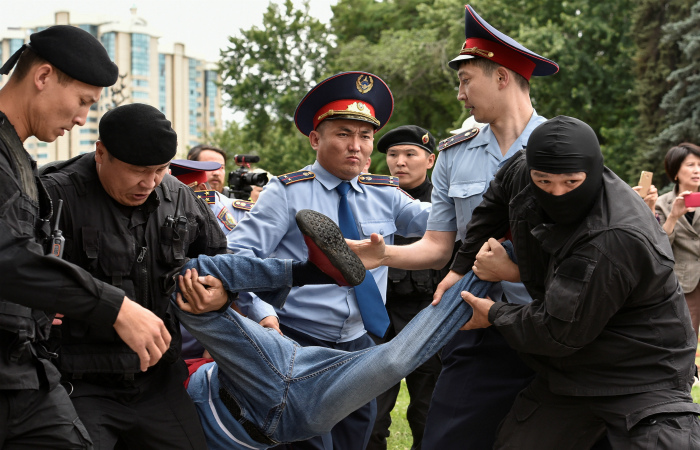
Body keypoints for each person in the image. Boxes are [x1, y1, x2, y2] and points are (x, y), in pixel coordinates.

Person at [348, 5, 559, 448]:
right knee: (446, 436)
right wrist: (383, 255)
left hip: (549, 322)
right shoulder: (454, 154)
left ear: (501, 77)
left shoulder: (562, 148)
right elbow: (439, 246)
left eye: (466, 81)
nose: (460, 95)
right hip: (472, 321)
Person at [452, 115, 700, 448]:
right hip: (571, 373)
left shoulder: (613, 237)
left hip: (644, 371)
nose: (556, 193)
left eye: (571, 182)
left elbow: (558, 331)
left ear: (593, 171)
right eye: (543, 181)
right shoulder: (525, 171)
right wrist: (460, 267)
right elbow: (499, 195)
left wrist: (493, 314)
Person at [225, 71, 431, 450]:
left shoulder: (385, 192)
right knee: (306, 441)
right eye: (343, 134)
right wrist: (262, 314)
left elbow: (437, 220)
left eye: (365, 136)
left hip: (360, 343)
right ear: (315, 139)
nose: (356, 146)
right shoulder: (286, 192)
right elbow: (239, 257)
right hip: (297, 341)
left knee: (357, 437)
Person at [174, 208, 491, 449]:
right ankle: (487, 263)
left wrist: (232, 304)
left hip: (245, 370)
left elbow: (435, 217)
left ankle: (313, 271)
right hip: (286, 412)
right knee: (396, 359)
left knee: (188, 279)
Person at [0, 26, 170, 448]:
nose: (80, 119)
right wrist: (116, 307)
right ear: (43, 77)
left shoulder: (17, 160)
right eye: (82, 102)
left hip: (23, 372)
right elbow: (8, 257)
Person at [40, 103, 228, 449]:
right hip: (78, 382)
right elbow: (17, 271)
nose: (150, 183)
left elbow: (219, 260)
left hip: (158, 380)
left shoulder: (178, 195)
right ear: (101, 153)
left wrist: (221, 293)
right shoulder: (53, 196)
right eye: (138, 170)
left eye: (160, 170)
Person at [367, 125, 443, 450]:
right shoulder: (371, 200)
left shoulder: (445, 203)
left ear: (430, 160)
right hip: (379, 320)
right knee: (370, 417)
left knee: (429, 416)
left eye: (410, 154)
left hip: (429, 318)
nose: (400, 161)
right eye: (393, 154)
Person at [656, 143, 700, 337]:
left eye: (699, 165)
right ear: (675, 172)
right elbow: (660, 246)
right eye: (690, 165)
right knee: (686, 337)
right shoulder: (662, 204)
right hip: (685, 283)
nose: (697, 170)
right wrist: (673, 217)